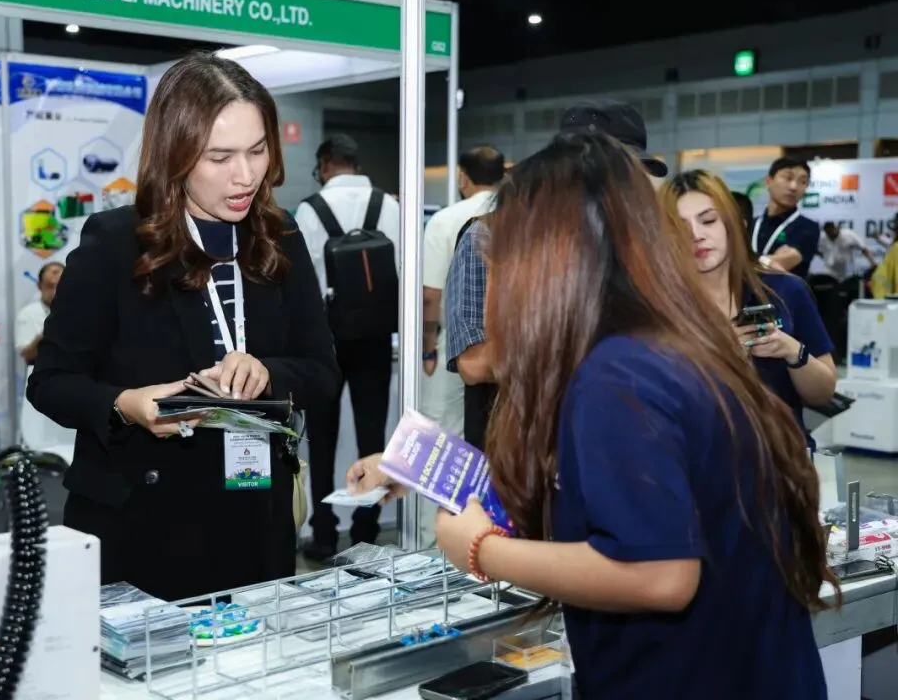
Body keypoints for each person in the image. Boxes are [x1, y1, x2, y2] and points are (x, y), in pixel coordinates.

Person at [350, 133, 835, 698]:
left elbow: (661, 573)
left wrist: (483, 550)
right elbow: (598, 490)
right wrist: (424, 465)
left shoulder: (618, 375)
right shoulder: (647, 346)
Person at [27, 52, 340, 601]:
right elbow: (51, 381)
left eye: (257, 150)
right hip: (140, 527)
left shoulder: (279, 236)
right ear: (175, 153)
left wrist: (267, 372)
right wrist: (126, 404)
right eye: (220, 157)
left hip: (254, 519)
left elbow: (322, 372)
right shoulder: (115, 244)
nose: (245, 175)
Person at [444, 99, 667, 450]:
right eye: (611, 172)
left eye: (631, 174)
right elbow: (472, 364)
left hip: (617, 433)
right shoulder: (489, 236)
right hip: (521, 442)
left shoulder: (643, 243)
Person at [660, 170, 836, 450]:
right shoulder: (662, 306)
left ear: (732, 222)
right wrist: (722, 359)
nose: (696, 235)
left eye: (708, 220)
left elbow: (823, 393)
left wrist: (792, 351)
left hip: (784, 461)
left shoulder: (785, 291)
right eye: (679, 227)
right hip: (703, 463)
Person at [294, 134, 401, 561]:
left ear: (324, 165)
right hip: (376, 336)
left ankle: (323, 533)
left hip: (325, 339)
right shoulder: (389, 205)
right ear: (355, 163)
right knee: (372, 436)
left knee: (321, 439)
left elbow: (301, 280)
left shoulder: (310, 209)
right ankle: (366, 531)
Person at [421, 145, 503, 432]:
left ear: (463, 178)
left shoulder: (445, 220)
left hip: (452, 347)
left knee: (446, 433)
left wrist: (428, 349)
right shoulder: (517, 217)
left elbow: (430, 296)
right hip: (499, 353)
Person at [748, 157, 820, 279]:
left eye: (803, 182)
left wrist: (744, 261)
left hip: (784, 291)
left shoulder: (807, 227)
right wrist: (766, 260)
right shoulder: (750, 225)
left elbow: (779, 264)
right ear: (769, 181)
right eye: (788, 178)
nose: (794, 187)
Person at [15, 261, 63, 364]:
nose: (55, 291)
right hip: (41, 370)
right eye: (50, 286)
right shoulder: (28, 313)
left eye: (59, 286)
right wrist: (49, 329)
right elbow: (27, 354)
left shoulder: (79, 312)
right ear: (39, 286)